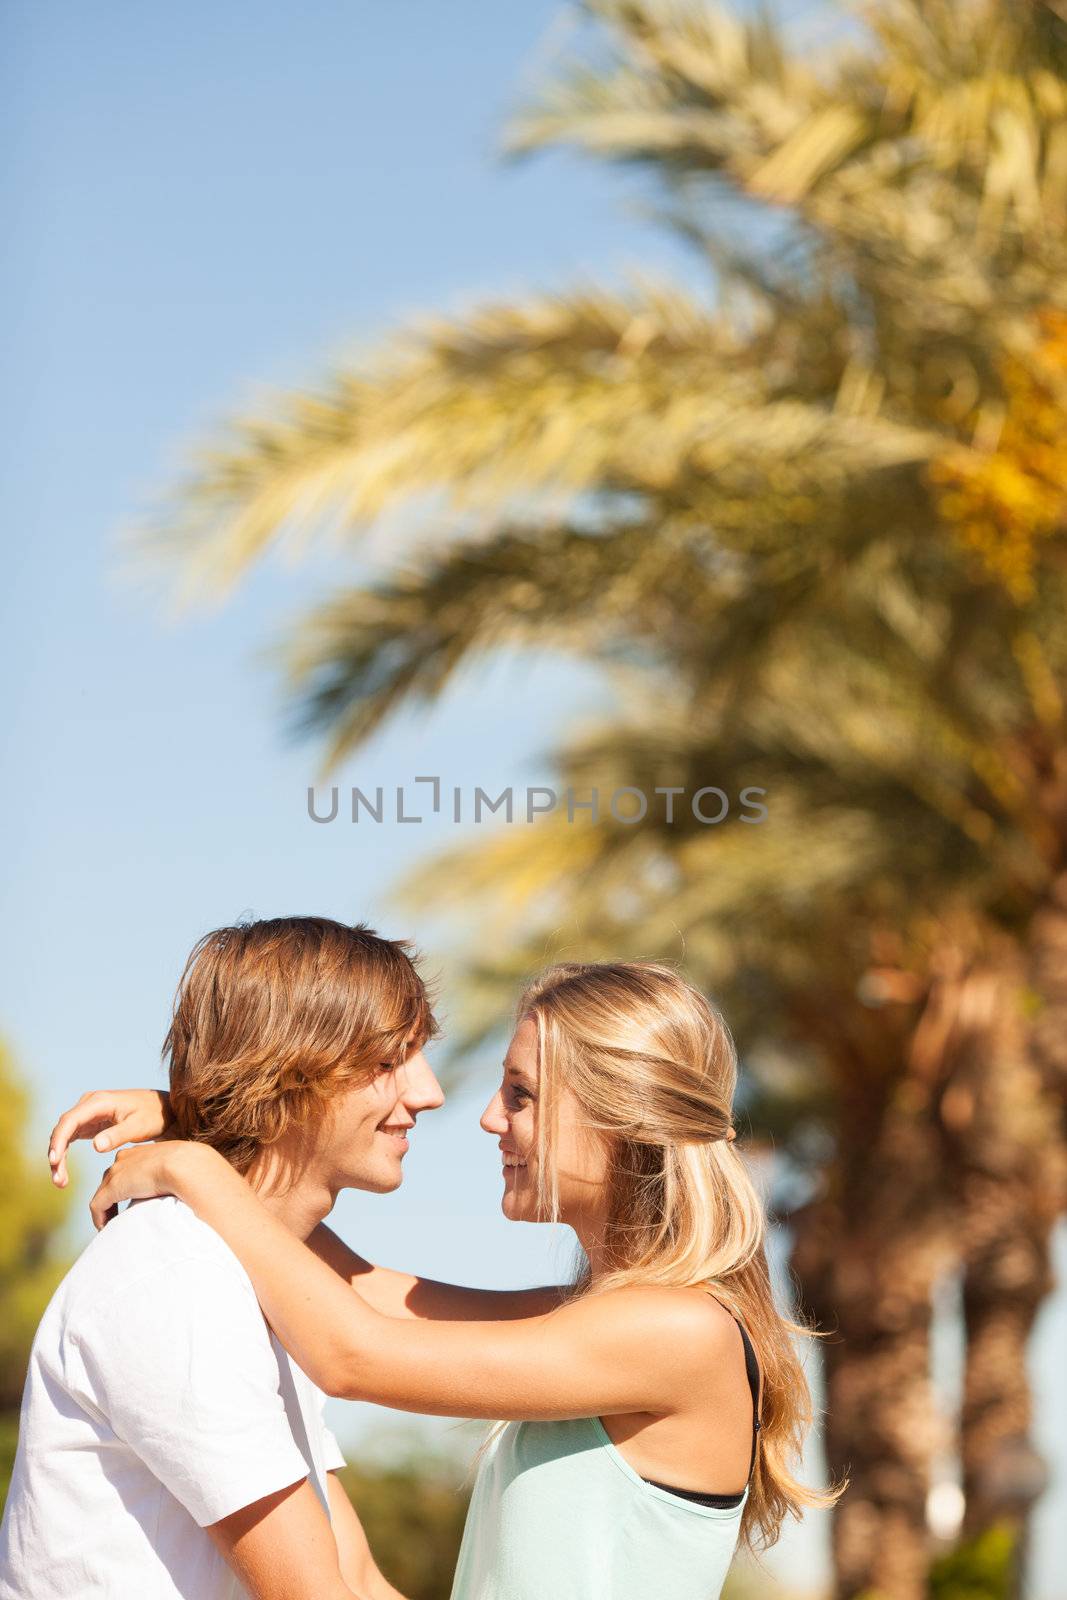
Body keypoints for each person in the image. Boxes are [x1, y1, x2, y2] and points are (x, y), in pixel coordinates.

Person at [51, 959, 845, 1600]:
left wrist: (193, 1167)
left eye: (522, 1095)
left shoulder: (676, 1333)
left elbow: (353, 1357)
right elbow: (351, 1286)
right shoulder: (590, 1323)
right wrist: (207, 1120)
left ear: (619, 1115)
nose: (488, 1118)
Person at [0, 915, 450, 1600]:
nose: (427, 1094)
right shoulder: (181, 1276)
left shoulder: (250, 1276)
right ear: (289, 1069)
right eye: (387, 1062)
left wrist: (188, 1144)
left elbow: (356, 1576)